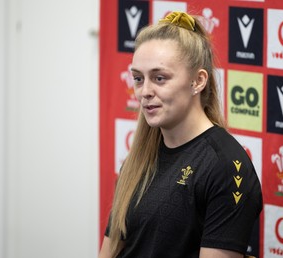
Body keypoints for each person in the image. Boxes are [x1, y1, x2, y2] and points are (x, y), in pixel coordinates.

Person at [99, 11, 262, 258]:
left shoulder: (226, 166)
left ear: (198, 81)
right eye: (138, 78)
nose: (145, 91)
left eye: (159, 78)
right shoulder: (138, 159)